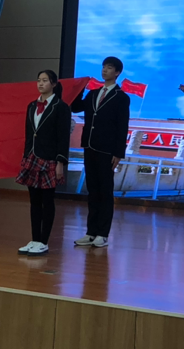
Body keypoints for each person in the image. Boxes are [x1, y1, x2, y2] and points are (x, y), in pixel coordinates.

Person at [71, 56, 130, 248]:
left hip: (107, 150)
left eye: (109, 67)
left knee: (105, 192)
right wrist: (80, 87)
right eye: (103, 67)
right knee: (93, 190)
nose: (104, 70)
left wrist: (118, 153)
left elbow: (122, 126)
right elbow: (75, 107)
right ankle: (91, 232)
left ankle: (102, 234)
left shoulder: (121, 97)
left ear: (117, 72)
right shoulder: (93, 94)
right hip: (90, 146)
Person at [16, 70, 71, 256]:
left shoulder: (61, 107)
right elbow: (28, 133)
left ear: (53, 84)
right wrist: (26, 156)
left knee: (47, 201)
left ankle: (44, 241)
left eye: (45, 80)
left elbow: (63, 137)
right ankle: (34, 239)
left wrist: (60, 162)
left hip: (50, 159)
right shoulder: (32, 105)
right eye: (39, 80)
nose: (40, 84)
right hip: (32, 157)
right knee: (34, 201)